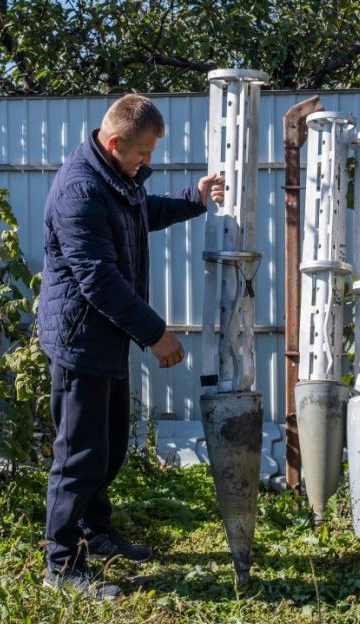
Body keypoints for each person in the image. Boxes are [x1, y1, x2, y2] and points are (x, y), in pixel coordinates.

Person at [37, 94, 225, 599]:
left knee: (110, 445)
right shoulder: (80, 190)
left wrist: (194, 197)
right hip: (80, 340)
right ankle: (61, 563)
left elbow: (142, 212)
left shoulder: (115, 177)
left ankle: (94, 534)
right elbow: (99, 280)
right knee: (79, 455)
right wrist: (156, 333)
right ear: (115, 142)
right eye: (143, 153)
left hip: (105, 336)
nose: (149, 163)